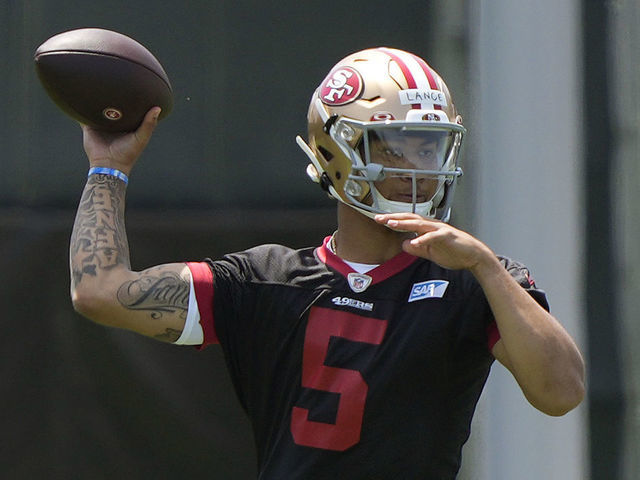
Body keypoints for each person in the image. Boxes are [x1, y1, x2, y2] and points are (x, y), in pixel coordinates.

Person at [70, 47, 585, 479]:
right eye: (397, 146)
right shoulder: (264, 280)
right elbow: (101, 292)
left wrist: (487, 268)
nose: (421, 169)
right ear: (334, 150)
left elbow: (561, 394)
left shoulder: (472, 279)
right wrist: (108, 167)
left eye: (431, 148)